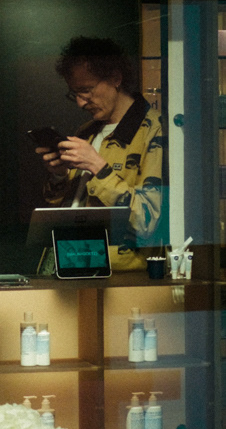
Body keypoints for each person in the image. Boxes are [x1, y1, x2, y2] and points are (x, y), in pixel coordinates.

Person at [37, 36, 164, 271]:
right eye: (74, 93)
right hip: (70, 263)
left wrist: (99, 168)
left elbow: (148, 223)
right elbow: (69, 206)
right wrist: (59, 175)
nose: (80, 103)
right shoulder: (86, 131)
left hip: (118, 276)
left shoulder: (154, 130)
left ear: (115, 78)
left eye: (86, 91)